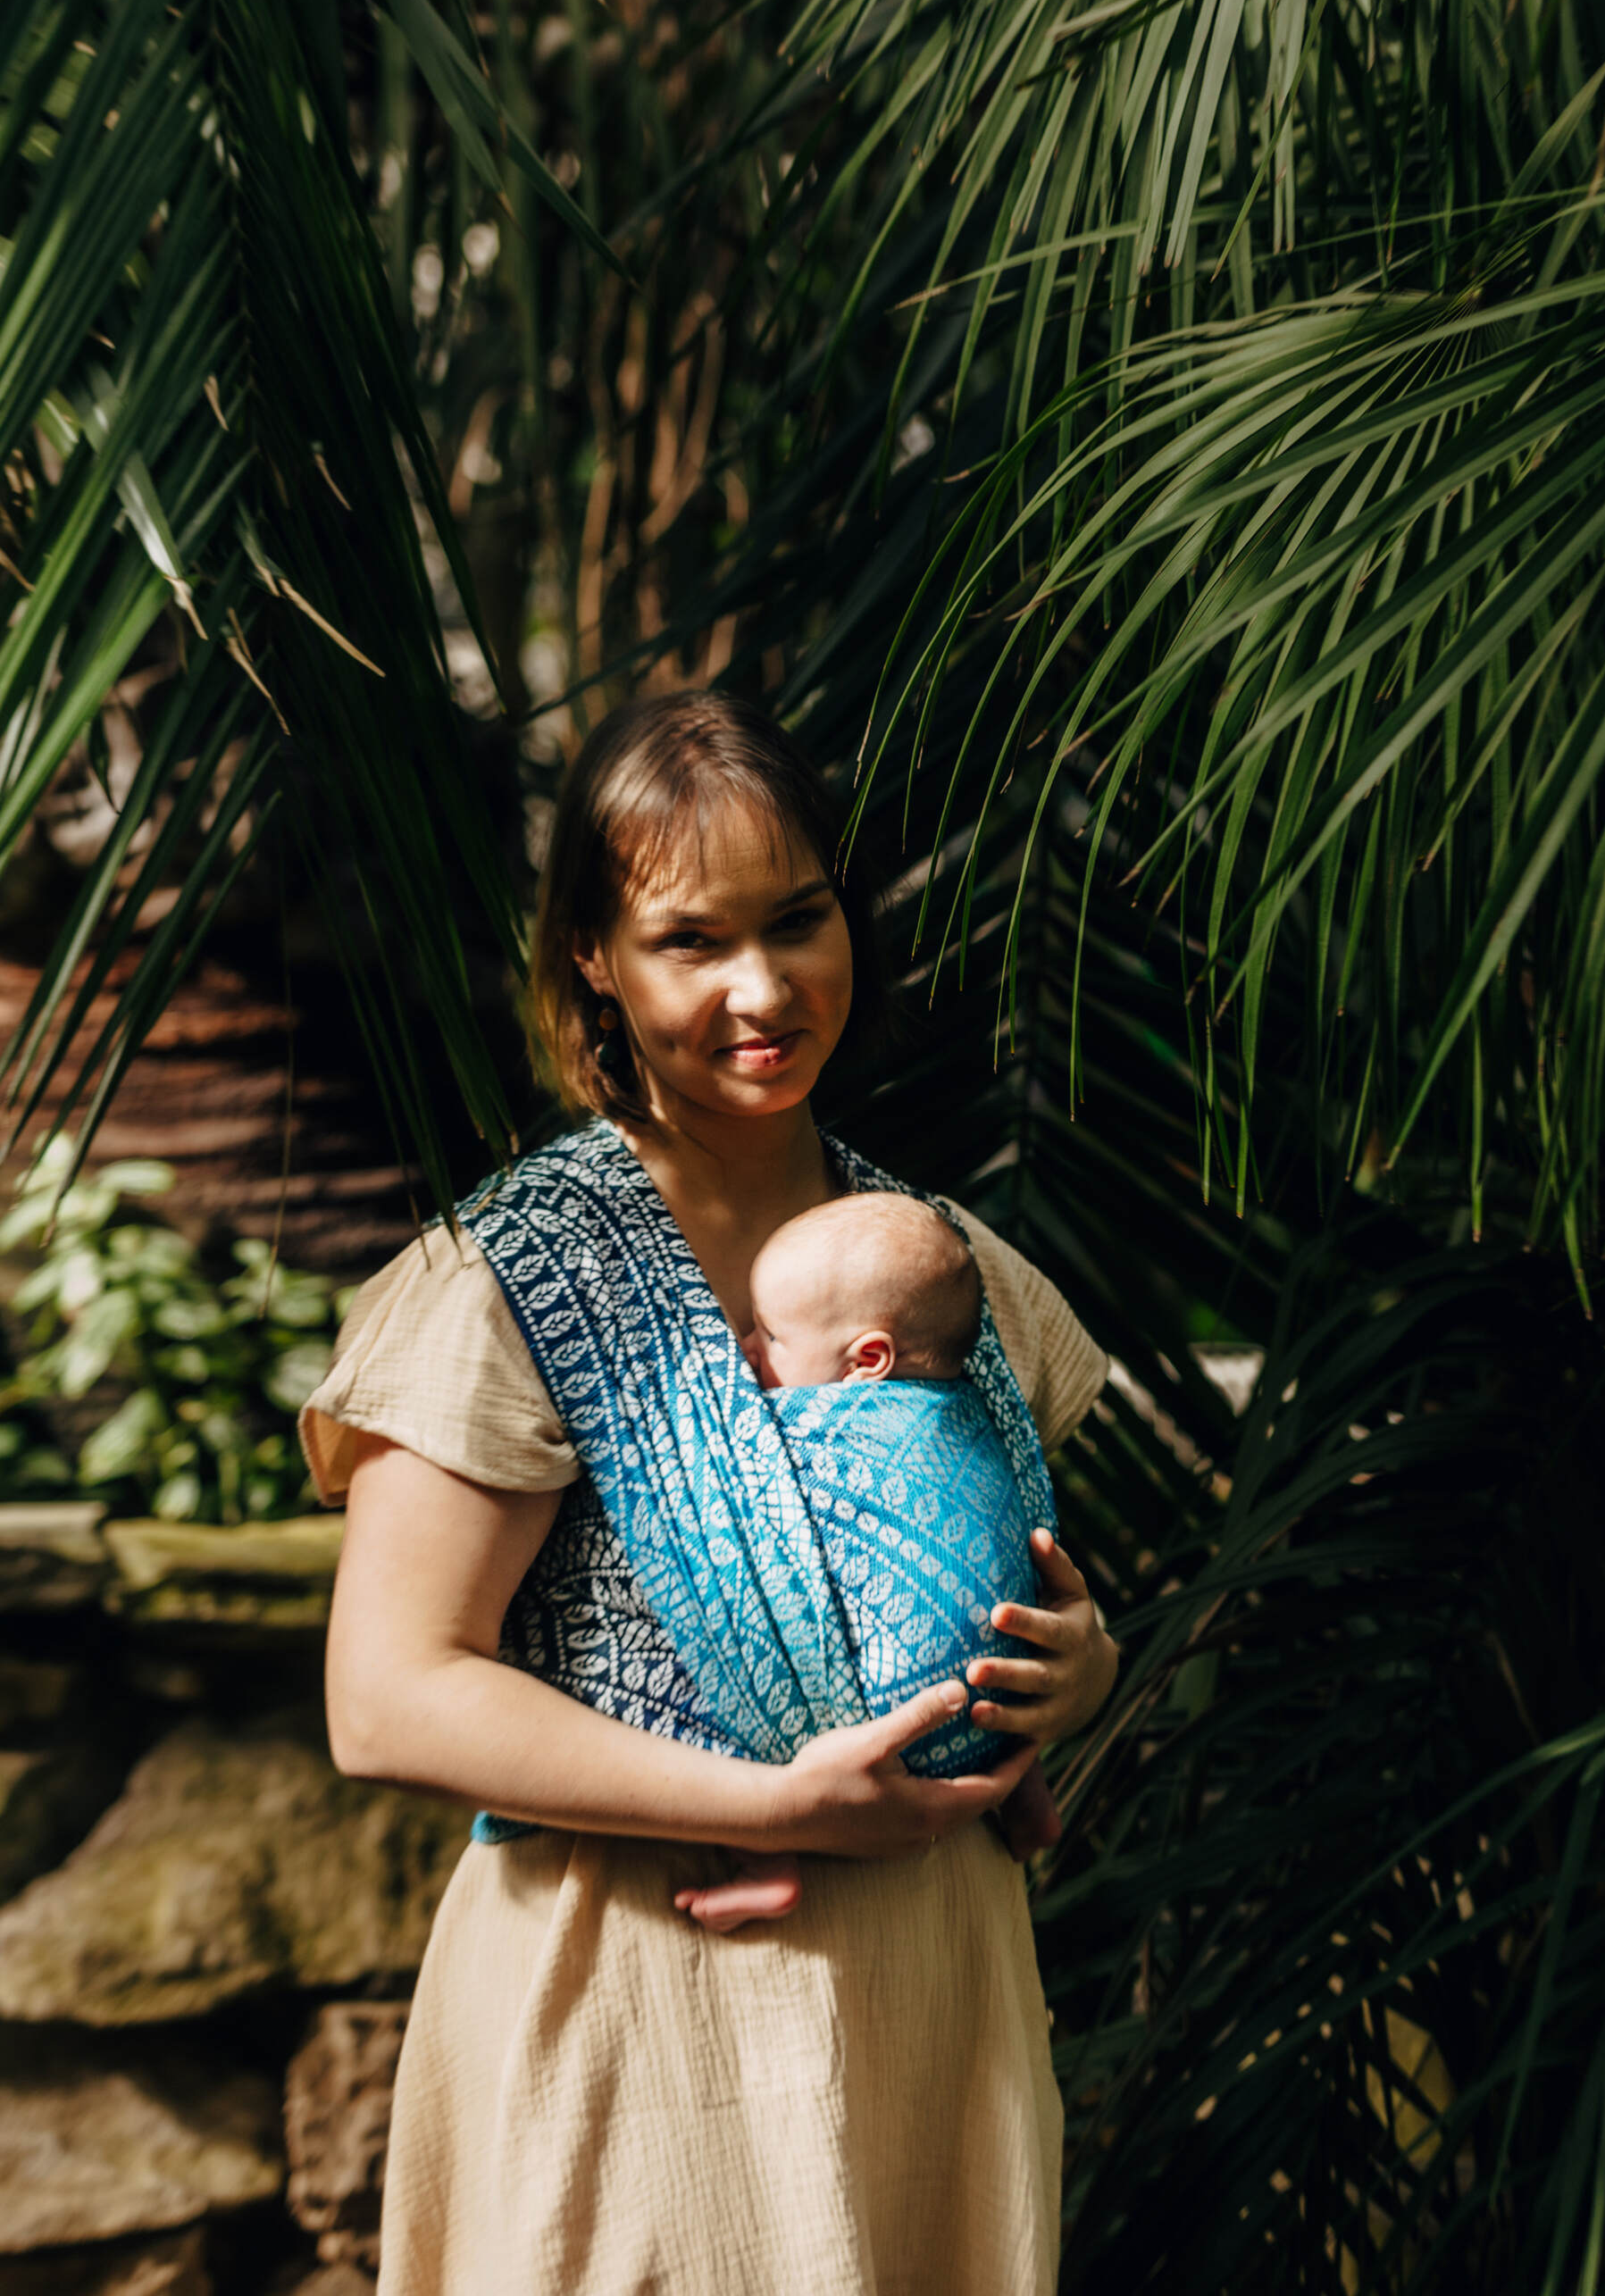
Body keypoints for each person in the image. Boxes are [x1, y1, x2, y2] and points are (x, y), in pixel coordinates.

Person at [304, 689, 1118, 2296]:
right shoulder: (513, 1283)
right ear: (596, 959)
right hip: (638, 2012)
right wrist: (777, 1805)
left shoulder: (946, 1269)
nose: (765, 989)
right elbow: (386, 1703)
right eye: (691, 941)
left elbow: (969, 1593)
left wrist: (1078, 1667)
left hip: (929, 1997)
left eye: (800, 922)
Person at [673, 1191, 1066, 1935]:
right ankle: (1031, 1803)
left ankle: (768, 1864)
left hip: (878, 1724)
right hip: (995, 1704)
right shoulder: (983, 1415)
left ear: (868, 1360)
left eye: (769, 1334)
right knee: (991, 1638)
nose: (745, 1350)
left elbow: (739, 1521)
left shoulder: (803, 1427)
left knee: (733, 1667)